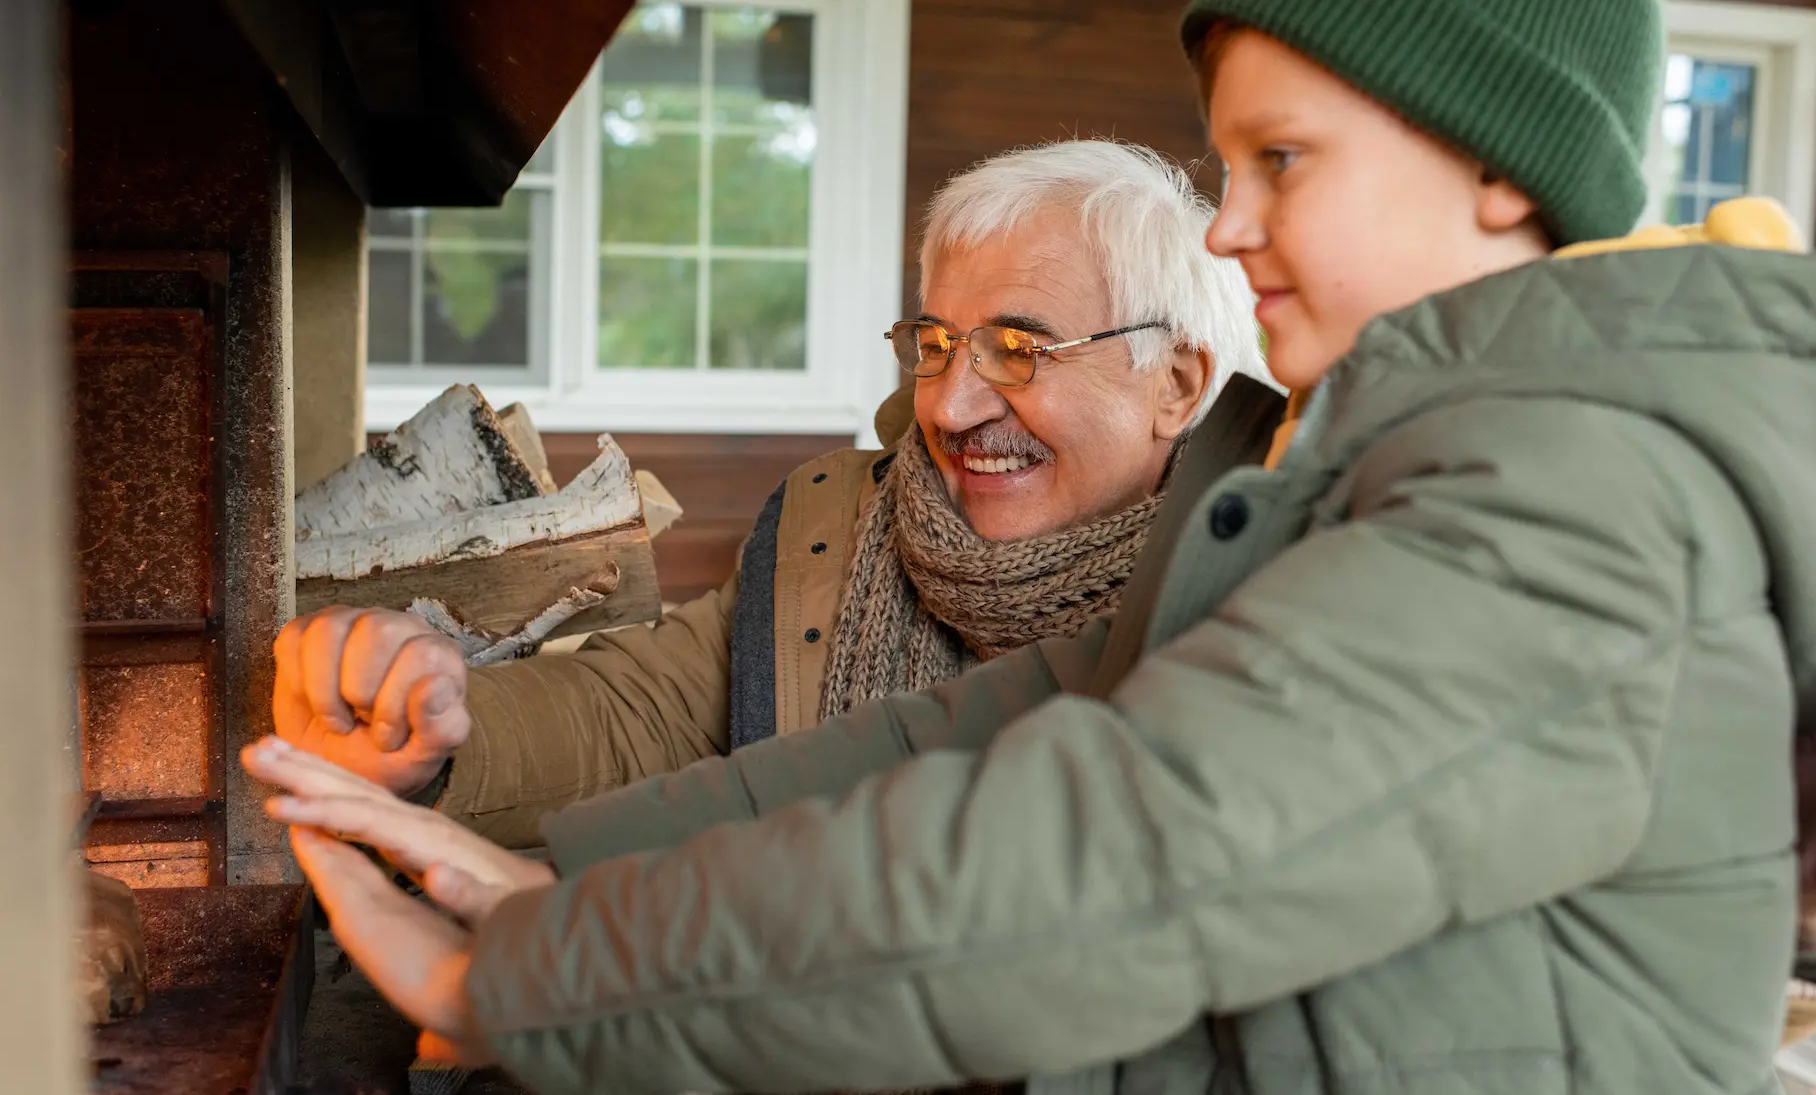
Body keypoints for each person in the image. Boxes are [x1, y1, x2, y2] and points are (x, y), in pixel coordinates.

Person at [247, 0, 1816, 1091]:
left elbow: (1117, 846)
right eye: (935, 341)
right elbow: (985, 732)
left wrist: (532, 973)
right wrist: (551, 877)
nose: (1229, 226)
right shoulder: (1376, 474)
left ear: (1499, 160)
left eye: (1284, 161)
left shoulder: (1569, 491)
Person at [272, 138, 1273, 846]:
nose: (954, 403)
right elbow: (639, 714)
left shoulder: (1270, 598)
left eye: (1017, 347)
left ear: (1175, 385)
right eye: (934, 345)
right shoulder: (834, 525)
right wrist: (439, 729)